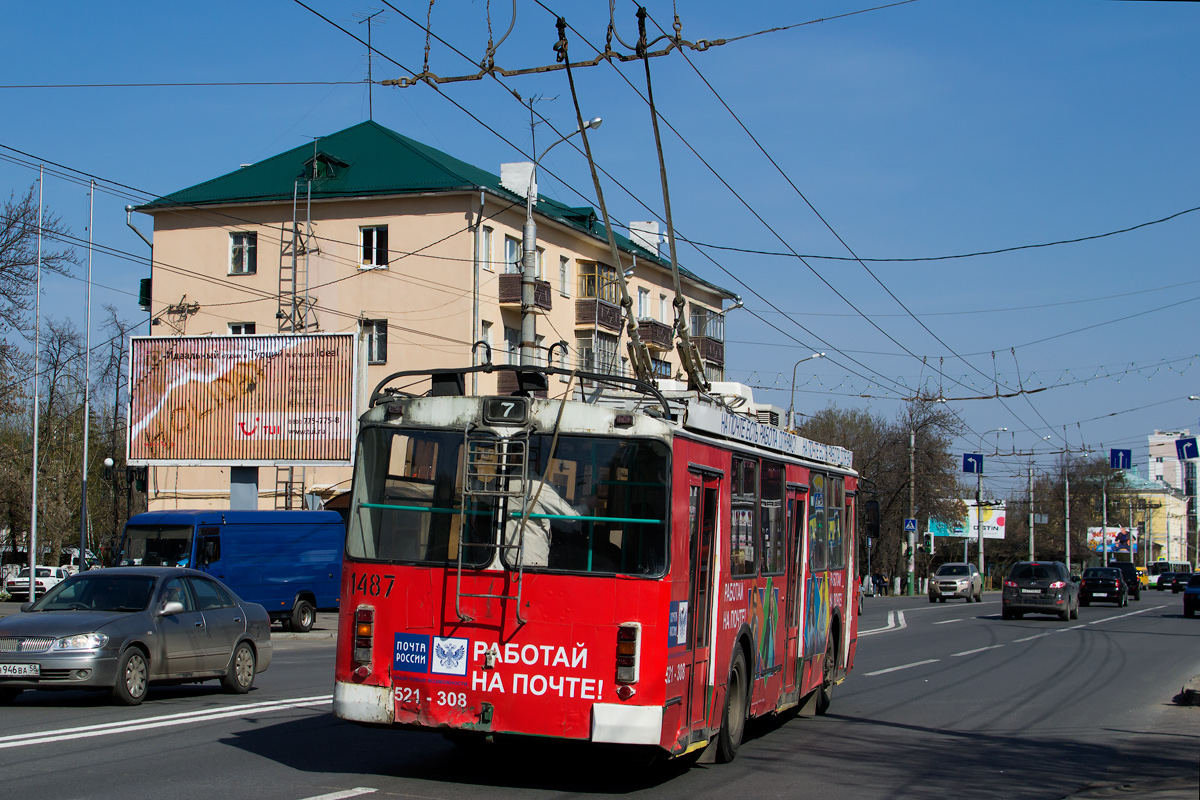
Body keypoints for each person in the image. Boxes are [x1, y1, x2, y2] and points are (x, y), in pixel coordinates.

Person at [503, 478, 586, 568]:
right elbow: (570, 515)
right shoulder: (539, 486)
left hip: (504, 555)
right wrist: (587, 506)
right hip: (533, 557)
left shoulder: (499, 483)